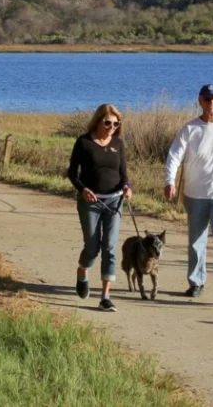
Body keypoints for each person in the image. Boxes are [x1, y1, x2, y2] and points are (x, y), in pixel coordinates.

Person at [163, 84, 213, 302]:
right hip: (196, 194)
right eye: (207, 99)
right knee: (196, 240)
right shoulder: (190, 129)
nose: (212, 103)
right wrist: (170, 181)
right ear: (200, 101)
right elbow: (174, 156)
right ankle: (196, 282)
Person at [68, 103, 132, 312]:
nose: (112, 127)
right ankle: (82, 271)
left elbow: (124, 174)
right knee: (93, 247)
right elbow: (72, 174)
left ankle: (105, 296)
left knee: (110, 247)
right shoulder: (84, 142)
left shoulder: (118, 144)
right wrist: (83, 190)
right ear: (98, 121)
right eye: (107, 123)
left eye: (116, 123)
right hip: (91, 202)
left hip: (115, 201)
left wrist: (127, 187)